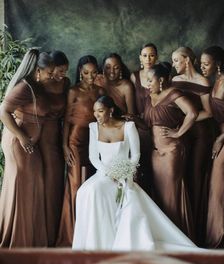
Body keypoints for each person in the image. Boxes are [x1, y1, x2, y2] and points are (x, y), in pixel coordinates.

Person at [72, 95, 198, 251]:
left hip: (125, 174)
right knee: (87, 191)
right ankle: (95, 244)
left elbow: (135, 155)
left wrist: (125, 172)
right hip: (103, 174)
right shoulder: (93, 128)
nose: (96, 115)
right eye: (95, 111)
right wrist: (109, 172)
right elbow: (93, 157)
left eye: (100, 111)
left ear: (111, 111)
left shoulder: (128, 127)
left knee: (101, 191)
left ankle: (113, 244)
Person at [0, 49, 54, 247]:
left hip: (29, 142)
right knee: (21, 187)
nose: (51, 76)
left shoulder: (36, 85)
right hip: (18, 142)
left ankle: (30, 238)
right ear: (38, 70)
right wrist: (22, 136)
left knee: (34, 183)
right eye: (49, 72)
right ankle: (17, 239)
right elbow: (3, 112)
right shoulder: (23, 87)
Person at [143, 63, 198, 239]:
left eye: (150, 80)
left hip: (172, 151)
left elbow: (192, 113)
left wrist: (178, 132)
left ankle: (178, 237)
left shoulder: (174, 94)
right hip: (155, 153)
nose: (147, 84)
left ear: (160, 79)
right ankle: (164, 237)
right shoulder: (149, 97)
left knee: (172, 195)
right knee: (159, 195)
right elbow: (147, 124)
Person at [56, 55, 105, 246]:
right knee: (76, 185)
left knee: (93, 186)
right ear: (79, 72)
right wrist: (64, 145)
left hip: (95, 140)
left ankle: (91, 234)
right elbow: (66, 119)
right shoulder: (73, 91)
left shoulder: (101, 90)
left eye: (93, 72)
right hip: (75, 140)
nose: (90, 76)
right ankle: (72, 234)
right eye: (86, 73)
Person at [171, 47, 214, 245]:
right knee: (181, 177)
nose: (173, 64)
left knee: (195, 177)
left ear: (187, 60)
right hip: (182, 135)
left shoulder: (203, 81)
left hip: (200, 136)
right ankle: (182, 228)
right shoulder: (175, 81)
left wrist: (189, 120)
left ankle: (196, 233)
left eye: (176, 60)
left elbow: (209, 112)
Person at [200, 46, 224, 248]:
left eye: (206, 64)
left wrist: (221, 139)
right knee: (219, 185)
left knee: (218, 185)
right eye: (202, 64)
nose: (202, 67)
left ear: (218, 64)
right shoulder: (216, 81)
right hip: (222, 134)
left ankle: (220, 238)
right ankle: (222, 234)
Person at [41, 50, 70, 246]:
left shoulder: (66, 84)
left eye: (65, 70)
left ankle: (55, 231)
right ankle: (40, 229)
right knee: (42, 182)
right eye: (59, 70)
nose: (62, 74)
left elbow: (69, 112)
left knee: (56, 182)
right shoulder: (40, 83)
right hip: (40, 134)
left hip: (57, 135)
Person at [130, 43, 158, 194]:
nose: (148, 58)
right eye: (145, 55)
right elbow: (131, 105)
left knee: (157, 169)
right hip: (141, 127)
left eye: (152, 55)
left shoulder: (161, 75)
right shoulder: (134, 77)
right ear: (140, 57)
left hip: (158, 124)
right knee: (142, 166)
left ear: (157, 57)